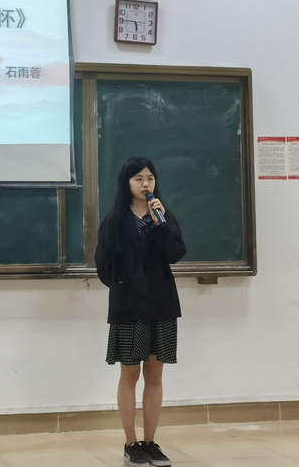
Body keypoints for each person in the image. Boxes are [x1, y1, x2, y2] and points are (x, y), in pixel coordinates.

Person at [95, 157, 186, 467]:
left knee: (155, 375)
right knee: (130, 374)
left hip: (161, 304)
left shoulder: (163, 216)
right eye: (138, 179)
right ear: (127, 183)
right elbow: (104, 266)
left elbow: (175, 254)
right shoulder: (114, 220)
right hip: (130, 306)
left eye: (150, 178)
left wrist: (161, 225)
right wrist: (126, 286)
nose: (146, 184)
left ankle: (150, 442)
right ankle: (130, 443)